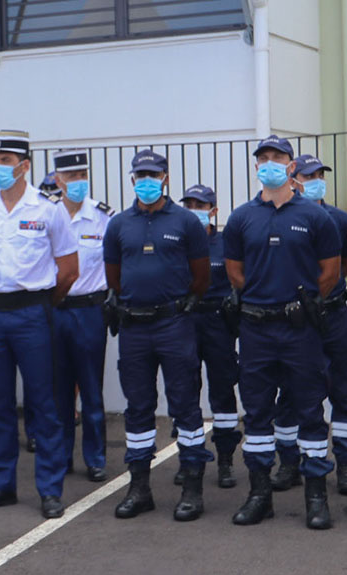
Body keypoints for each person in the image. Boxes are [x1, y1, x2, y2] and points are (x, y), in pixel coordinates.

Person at [222, 137, 342, 528]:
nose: (269, 164)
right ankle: (260, 495)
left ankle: (316, 496)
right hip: (255, 328)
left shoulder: (315, 216)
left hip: (300, 330)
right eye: (263, 159)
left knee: (309, 409)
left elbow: (330, 272)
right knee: (256, 412)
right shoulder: (242, 218)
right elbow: (235, 271)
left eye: (277, 158)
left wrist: (302, 304)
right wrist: (259, 299)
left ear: (292, 167)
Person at [0, 130, 79, 519]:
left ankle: (49, 488)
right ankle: (0, 484)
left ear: (24, 166)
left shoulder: (48, 209)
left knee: (43, 404)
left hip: (33, 313)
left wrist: (40, 304)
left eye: (5, 162)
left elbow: (68, 270)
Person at [104, 149, 213, 522]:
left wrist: (179, 304)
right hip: (134, 326)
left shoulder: (186, 222)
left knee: (185, 404)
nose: (146, 181)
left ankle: (192, 488)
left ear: (166, 177)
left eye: (153, 174)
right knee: (138, 407)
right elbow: (114, 277)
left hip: (174, 324)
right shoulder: (119, 224)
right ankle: (139, 488)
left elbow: (201, 276)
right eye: (140, 175)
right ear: (132, 179)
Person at [278, 154, 347, 497]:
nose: (315, 180)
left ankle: (345, 465)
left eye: (319, 175)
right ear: (293, 178)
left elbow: (345, 265)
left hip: (331, 314)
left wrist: (323, 292)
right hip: (294, 320)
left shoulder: (340, 219)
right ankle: (288, 462)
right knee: (289, 392)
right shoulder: (281, 217)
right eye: (308, 175)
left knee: (341, 388)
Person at [51, 149, 112, 483]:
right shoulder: (48, 215)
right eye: (71, 176)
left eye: (82, 175)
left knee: (91, 389)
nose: (78, 182)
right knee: (59, 390)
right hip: (56, 310)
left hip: (90, 310)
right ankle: (61, 457)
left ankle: (96, 457)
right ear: (58, 180)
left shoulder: (103, 218)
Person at [180, 183, 241, 490]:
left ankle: (226, 459)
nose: (194, 211)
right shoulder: (177, 241)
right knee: (185, 391)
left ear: (214, 211)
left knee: (222, 391)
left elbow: (238, 277)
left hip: (218, 322)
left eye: (200, 205)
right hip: (185, 321)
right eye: (188, 205)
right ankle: (187, 457)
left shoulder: (226, 242)